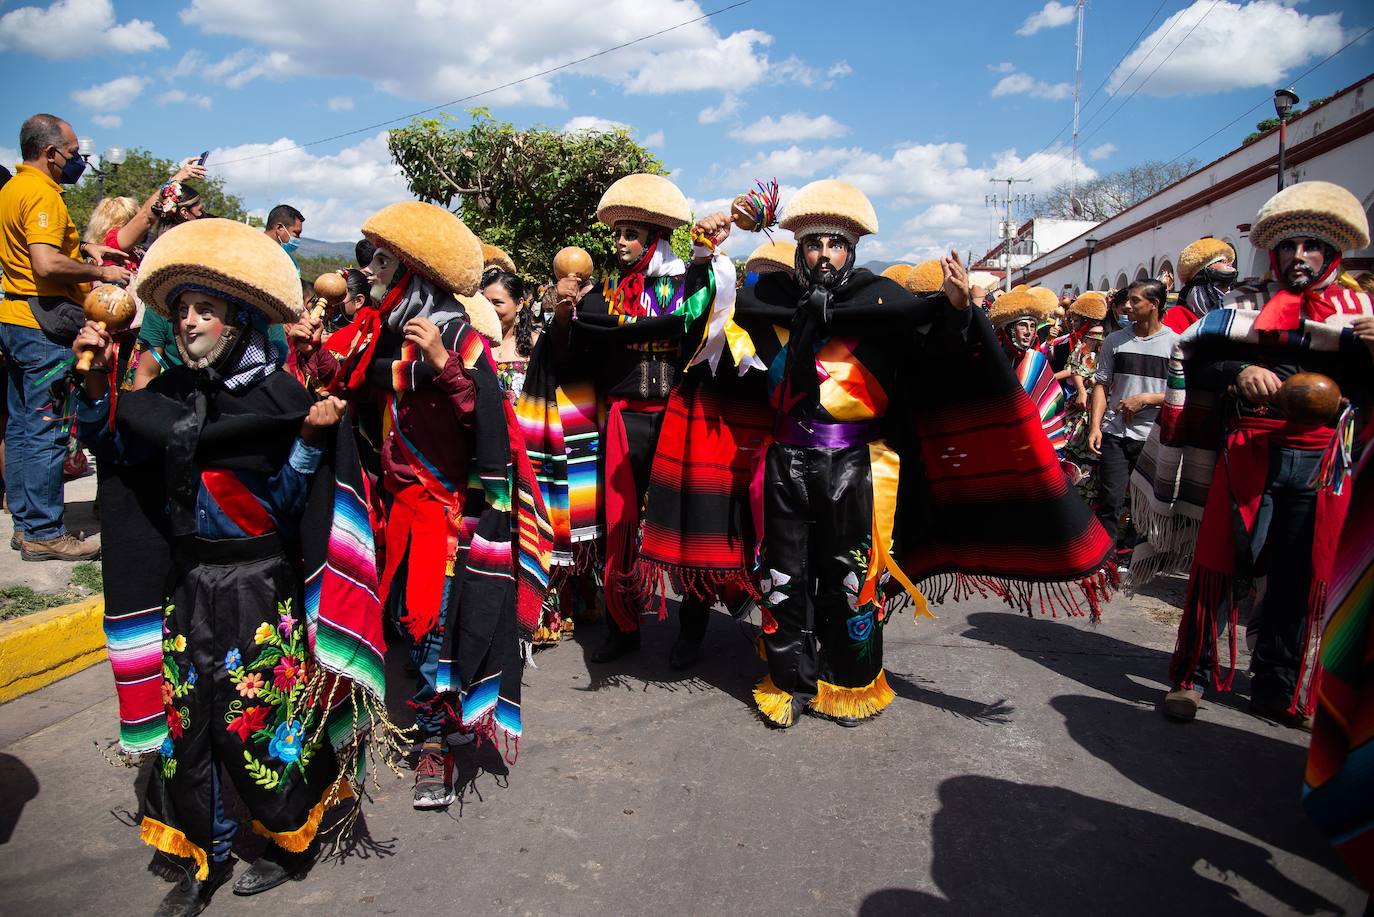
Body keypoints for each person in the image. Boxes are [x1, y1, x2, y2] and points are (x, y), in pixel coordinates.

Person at [73, 217, 394, 913]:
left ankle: (290, 837)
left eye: (204, 310)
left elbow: (285, 506)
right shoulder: (167, 400)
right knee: (192, 726)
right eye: (182, 309)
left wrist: (308, 441)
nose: (187, 322)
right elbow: (117, 448)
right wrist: (97, 383)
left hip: (259, 588)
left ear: (239, 322)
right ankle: (205, 855)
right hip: (187, 587)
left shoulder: (280, 402)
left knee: (260, 721)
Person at [722, 179, 1114, 728]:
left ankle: (849, 685)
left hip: (855, 466)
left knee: (852, 577)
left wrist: (956, 309)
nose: (825, 253)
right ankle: (786, 682)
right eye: (814, 243)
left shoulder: (882, 302)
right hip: (783, 459)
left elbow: (938, 353)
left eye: (836, 243)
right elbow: (721, 313)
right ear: (799, 249)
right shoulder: (771, 300)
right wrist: (705, 254)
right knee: (782, 576)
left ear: (852, 249)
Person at [291, 201, 549, 810]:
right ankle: (430, 718)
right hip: (390, 507)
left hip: (447, 509)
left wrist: (444, 367)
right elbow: (345, 379)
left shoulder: (458, 334)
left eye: (384, 261)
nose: (371, 271)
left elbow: (487, 423)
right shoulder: (377, 329)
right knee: (405, 628)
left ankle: (433, 744)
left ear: (415, 275)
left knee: (433, 628)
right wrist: (309, 349)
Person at [1132, 181, 1373, 727]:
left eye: (1311, 245)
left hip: (1321, 463)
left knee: (1298, 574)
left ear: (1334, 251)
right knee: (1222, 564)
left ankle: (1278, 688)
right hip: (1248, 453)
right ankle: (1191, 676)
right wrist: (1241, 370)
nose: (1298, 257)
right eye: (1288, 246)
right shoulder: (1242, 306)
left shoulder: (1360, 314)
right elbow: (1195, 361)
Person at [523, 173, 720, 668]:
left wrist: (621, 329)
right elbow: (571, 361)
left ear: (655, 237)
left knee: (688, 523)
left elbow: (694, 321)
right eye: (618, 234)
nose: (620, 243)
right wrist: (566, 317)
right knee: (618, 528)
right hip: (623, 419)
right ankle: (623, 626)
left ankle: (692, 630)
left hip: (678, 416)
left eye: (631, 234)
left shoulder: (687, 285)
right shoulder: (602, 295)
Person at [0, 113, 128, 561]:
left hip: (16, 317)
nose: (76, 161)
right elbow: (46, 264)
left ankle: (25, 523)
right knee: (46, 427)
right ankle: (42, 531)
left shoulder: (12, 188)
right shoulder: (41, 194)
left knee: (21, 426)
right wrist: (101, 270)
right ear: (50, 152)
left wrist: (84, 249)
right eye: (73, 154)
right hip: (43, 323)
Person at [1087, 279, 1174, 572]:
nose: (1127, 306)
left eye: (1135, 301)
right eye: (1127, 300)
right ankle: (1104, 554)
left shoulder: (1176, 344)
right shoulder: (1115, 341)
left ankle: (1135, 555)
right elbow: (1101, 385)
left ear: (1154, 305)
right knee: (1110, 496)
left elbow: (1184, 394)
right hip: (1115, 433)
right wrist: (1095, 426)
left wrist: (1148, 399)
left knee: (1144, 500)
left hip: (1154, 437)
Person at [988, 285, 1067, 453]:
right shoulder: (990, 359)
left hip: (1031, 442)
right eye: (1023, 325)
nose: (1028, 332)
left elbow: (1050, 405)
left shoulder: (1037, 360)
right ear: (1007, 329)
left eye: (1032, 326)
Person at [483, 268, 539, 402]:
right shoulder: (474, 342)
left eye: (498, 303)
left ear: (519, 304)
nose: (490, 309)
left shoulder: (535, 342)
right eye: (485, 303)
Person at [1163, 237, 1237, 333]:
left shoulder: (1235, 319)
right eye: (1220, 285)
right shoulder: (1173, 319)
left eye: (1228, 286)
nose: (1227, 292)